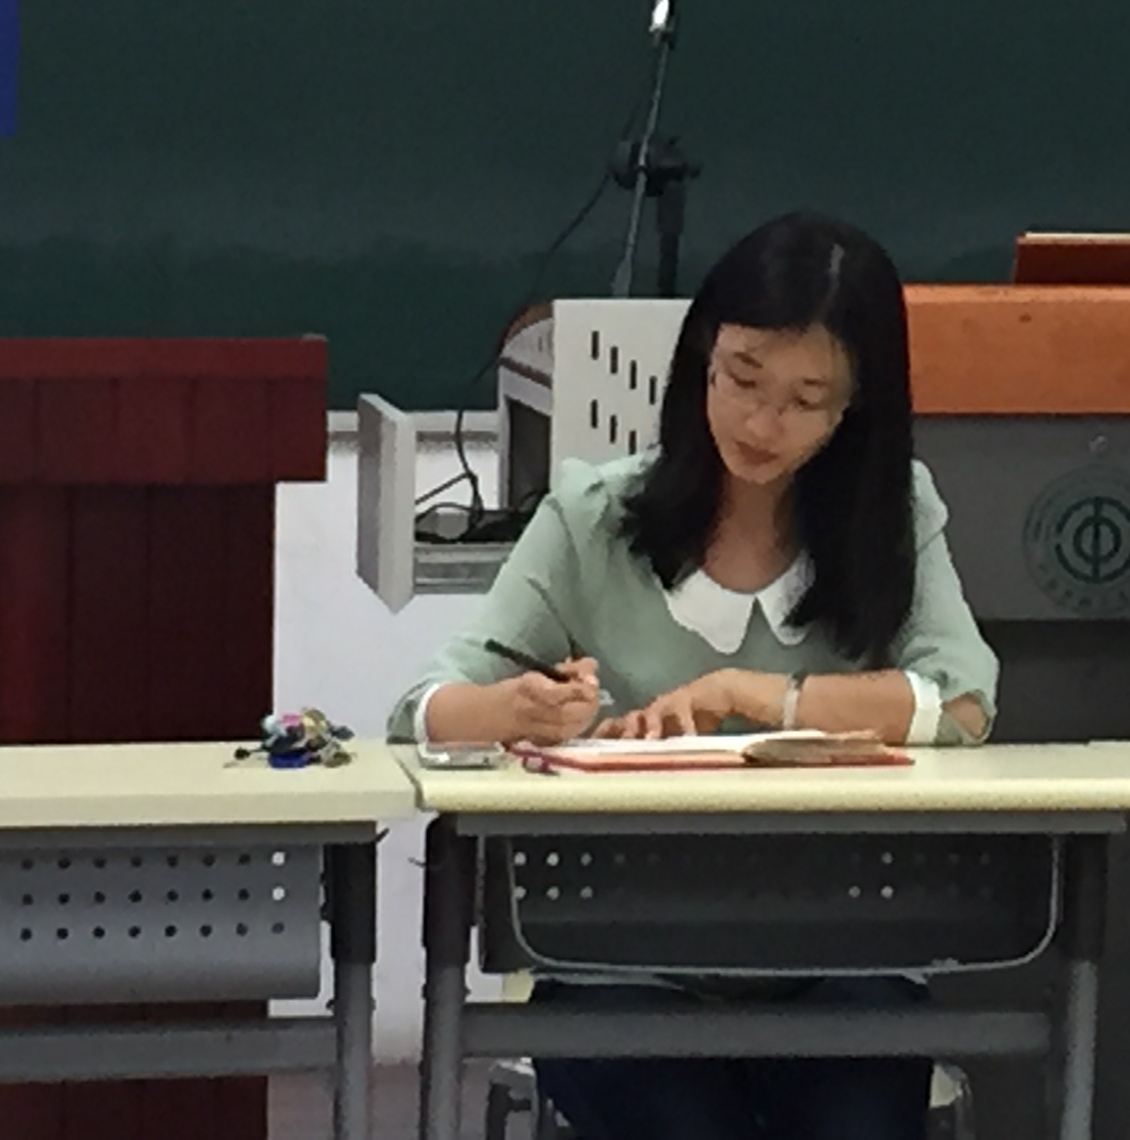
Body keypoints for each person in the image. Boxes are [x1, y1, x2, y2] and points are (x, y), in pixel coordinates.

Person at [394, 211, 998, 1140]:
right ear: (700, 359)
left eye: (806, 399)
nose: (762, 422)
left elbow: (962, 701)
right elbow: (421, 707)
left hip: (839, 956)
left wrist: (759, 696)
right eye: (742, 377)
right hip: (616, 961)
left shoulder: (894, 517)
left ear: (856, 407)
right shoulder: (593, 516)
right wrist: (510, 709)